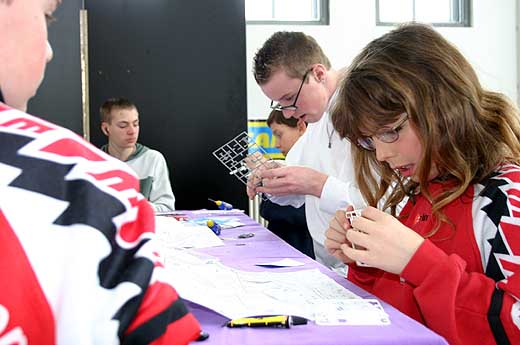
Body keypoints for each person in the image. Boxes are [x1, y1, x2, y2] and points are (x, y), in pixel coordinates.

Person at [0, 0, 200, 343]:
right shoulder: (88, 181)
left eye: (135, 124)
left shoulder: (148, 161)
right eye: (47, 16)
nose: (48, 51)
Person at [325, 23, 520, 344]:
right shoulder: (416, 191)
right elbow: (396, 309)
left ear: (443, 106)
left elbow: (512, 324)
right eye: (369, 141)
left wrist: (420, 263)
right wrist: (363, 259)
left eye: (391, 131)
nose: (383, 154)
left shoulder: (505, 198)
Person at [249, 31, 365, 270]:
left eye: (290, 99)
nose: (288, 113)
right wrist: (275, 180)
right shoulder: (315, 119)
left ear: (318, 74)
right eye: (280, 105)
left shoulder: (365, 113)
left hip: (366, 267)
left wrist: (317, 184)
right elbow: (300, 189)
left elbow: (385, 204)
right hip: (328, 264)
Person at [100, 97, 176, 212]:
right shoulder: (93, 163)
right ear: (106, 129)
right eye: (123, 126)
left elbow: (166, 208)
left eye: (135, 124)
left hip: (144, 228)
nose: (132, 131)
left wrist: (133, 206)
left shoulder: (153, 159)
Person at [260, 110, 315, 258]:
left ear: (301, 127)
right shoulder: (286, 165)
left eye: (279, 134)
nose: (276, 144)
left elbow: (302, 214)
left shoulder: (316, 166)